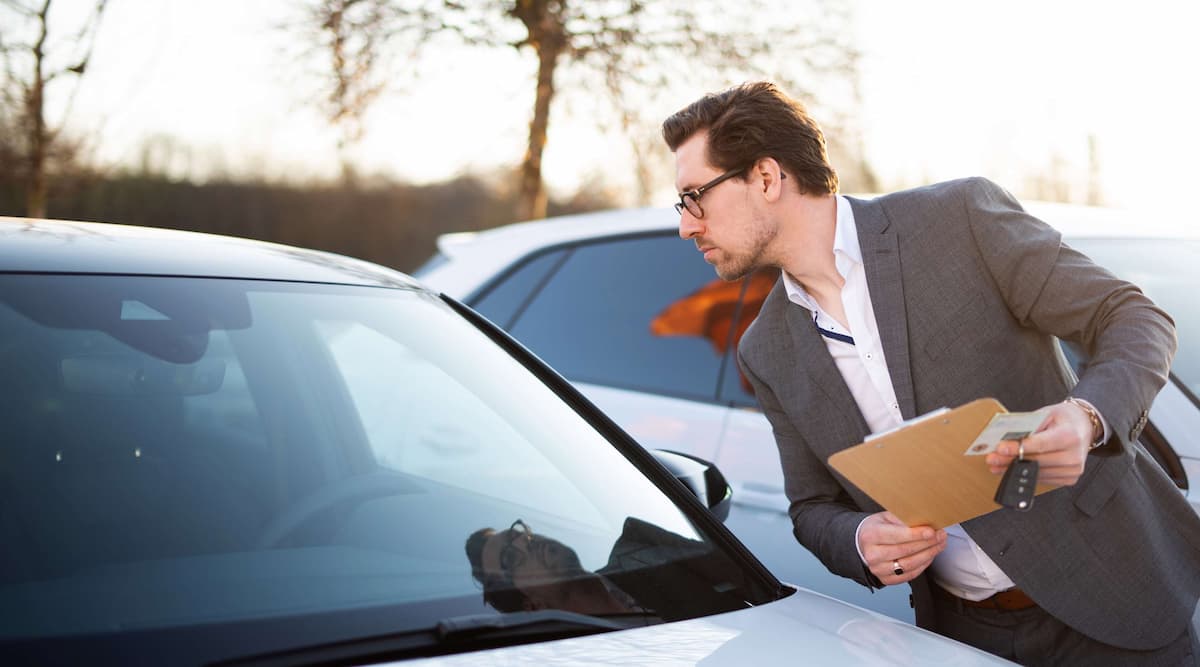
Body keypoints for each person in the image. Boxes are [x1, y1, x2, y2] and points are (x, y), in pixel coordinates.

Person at [661, 81, 1200, 664]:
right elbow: (812, 509)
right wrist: (859, 540)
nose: (688, 226)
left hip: (1114, 599)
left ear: (766, 178)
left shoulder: (957, 220)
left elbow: (1131, 316)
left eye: (696, 197)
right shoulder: (764, 350)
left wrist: (1086, 417)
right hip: (963, 638)